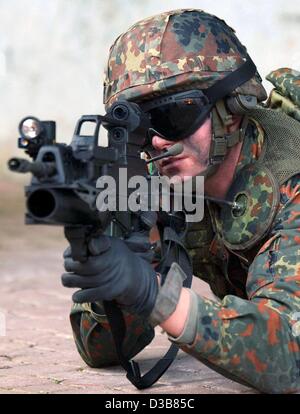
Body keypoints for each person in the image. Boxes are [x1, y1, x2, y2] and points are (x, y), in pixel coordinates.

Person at [61, 9, 300, 393]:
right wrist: (134, 251)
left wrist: (157, 297)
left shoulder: (292, 179)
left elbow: (292, 356)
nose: (157, 141)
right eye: (141, 122)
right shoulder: (160, 180)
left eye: (175, 115)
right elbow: (100, 350)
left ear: (232, 109)